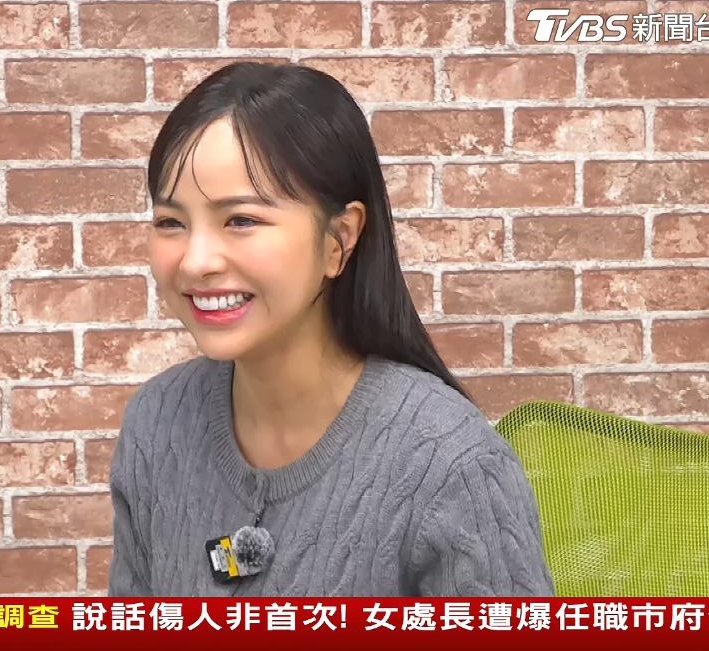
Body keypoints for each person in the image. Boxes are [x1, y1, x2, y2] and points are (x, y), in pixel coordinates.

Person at [107, 61, 555, 596]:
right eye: (171, 223)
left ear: (338, 239)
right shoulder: (158, 423)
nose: (195, 261)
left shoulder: (449, 465)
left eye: (241, 220)